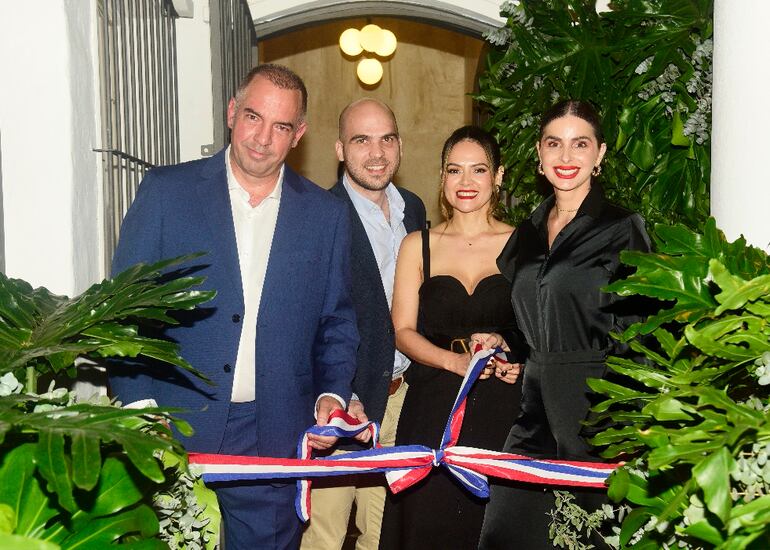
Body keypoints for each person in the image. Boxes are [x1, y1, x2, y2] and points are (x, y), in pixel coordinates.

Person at [109, 64, 359, 549]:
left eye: (281, 126)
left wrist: (331, 395)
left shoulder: (324, 215)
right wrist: (142, 406)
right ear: (231, 112)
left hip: (275, 434)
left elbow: (336, 322)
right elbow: (127, 311)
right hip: (172, 425)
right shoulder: (166, 193)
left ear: (299, 135)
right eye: (253, 117)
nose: (263, 138)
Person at [478, 100, 652, 549]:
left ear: (601, 154)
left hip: (597, 407)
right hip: (534, 407)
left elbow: (642, 331)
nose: (566, 157)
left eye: (581, 144)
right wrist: (505, 340)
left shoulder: (622, 227)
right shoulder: (529, 232)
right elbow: (531, 319)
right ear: (539, 153)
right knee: (506, 530)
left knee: (592, 537)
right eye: (554, 144)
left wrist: (631, 421)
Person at [379, 126, 524, 550]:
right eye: (454, 170)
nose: (466, 182)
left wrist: (507, 348)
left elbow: (535, 327)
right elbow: (402, 331)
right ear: (442, 177)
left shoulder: (522, 244)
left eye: (478, 170)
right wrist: (455, 362)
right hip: (434, 405)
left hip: (502, 402)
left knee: (494, 526)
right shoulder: (416, 245)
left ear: (498, 176)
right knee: (429, 525)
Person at [300, 99, 426, 550]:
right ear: (339, 149)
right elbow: (309, 320)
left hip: (402, 398)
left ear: (400, 145)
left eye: (387, 138)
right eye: (361, 140)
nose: (377, 152)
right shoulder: (317, 215)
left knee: (384, 533)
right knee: (325, 535)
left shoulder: (413, 208)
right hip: (344, 409)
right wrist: (340, 393)